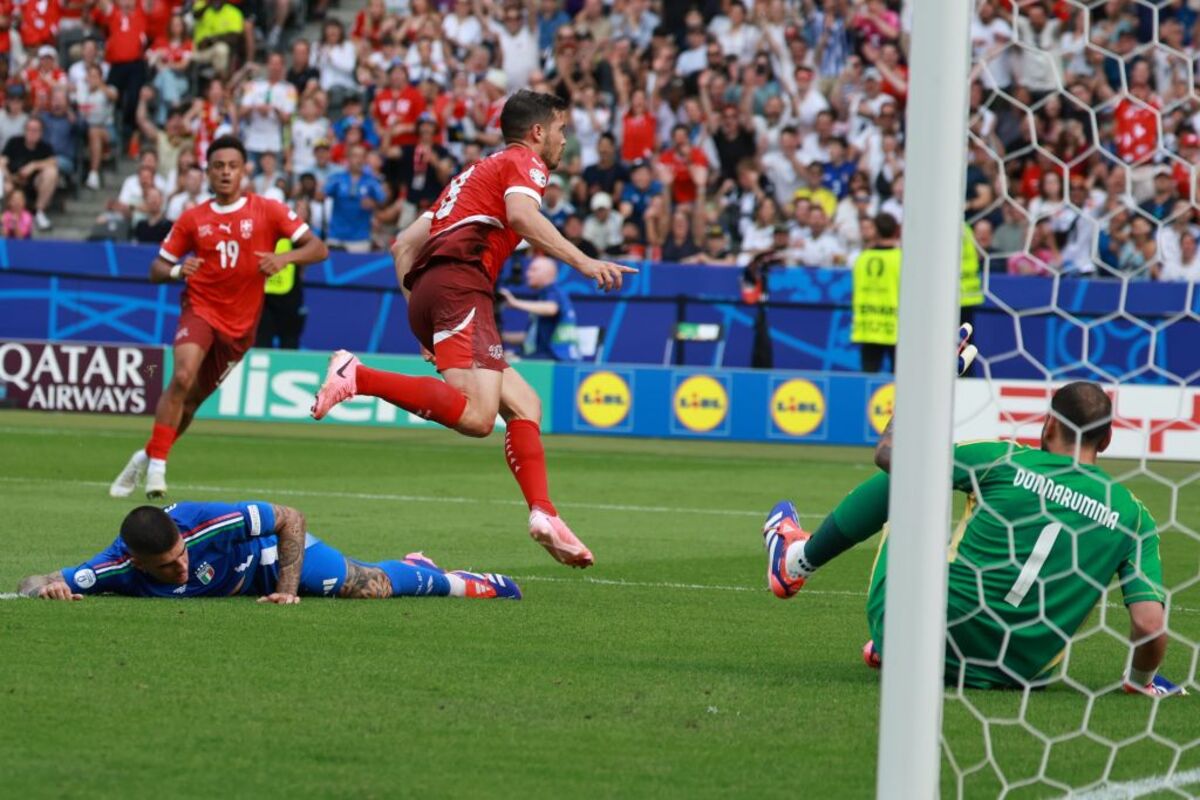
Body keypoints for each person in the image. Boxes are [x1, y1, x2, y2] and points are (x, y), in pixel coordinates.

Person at [310, 90, 633, 569]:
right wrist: (583, 261)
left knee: (526, 404)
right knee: (479, 418)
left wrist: (421, 320)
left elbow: (403, 245)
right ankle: (358, 376)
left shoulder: (470, 176)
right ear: (538, 132)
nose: (566, 142)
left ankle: (544, 513)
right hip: (463, 284)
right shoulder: (526, 161)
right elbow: (523, 217)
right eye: (562, 131)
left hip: (430, 291)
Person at [761, 381, 1179, 696]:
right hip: (1019, 674)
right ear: (1106, 440)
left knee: (909, 482)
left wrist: (924, 385)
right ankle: (899, 649)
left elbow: (890, 454)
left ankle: (795, 562)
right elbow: (1148, 624)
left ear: (1048, 424)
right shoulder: (1133, 515)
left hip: (919, 635)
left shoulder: (1005, 458)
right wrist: (1141, 682)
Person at [109, 135, 329, 500]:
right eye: (218, 166)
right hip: (200, 309)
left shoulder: (269, 209)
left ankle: (146, 456)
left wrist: (284, 258)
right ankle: (159, 470)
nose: (226, 173)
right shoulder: (193, 218)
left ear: (244, 171)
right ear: (208, 172)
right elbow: (156, 269)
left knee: (191, 402)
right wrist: (179, 271)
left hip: (240, 327)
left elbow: (317, 248)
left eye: (233, 166)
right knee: (181, 376)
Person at [18, 500, 521, 602]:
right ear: (136, 563)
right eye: (166, 566)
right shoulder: (112, 568)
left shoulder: (205, 524)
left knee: (365, 588)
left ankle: (454, 581)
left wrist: (286, 589)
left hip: (263, 558)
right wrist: (51, 590)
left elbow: (290, 517)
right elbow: (30, 583)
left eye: (181, 555)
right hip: (243, 581)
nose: (181, 566)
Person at [500, 255, 579, 361]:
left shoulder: (553, 291)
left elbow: (551, 309)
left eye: (533, 270)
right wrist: (501, 336)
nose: (527, 274)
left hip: (556, 359)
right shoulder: (544, 295)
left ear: (548, 273)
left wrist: (515, 303)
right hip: (545, 356)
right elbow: (529, 337)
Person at [850, 212, 901, 372]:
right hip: (894, 326)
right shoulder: (902, 258)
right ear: (895, 231)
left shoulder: (862, 259)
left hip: (868, 325)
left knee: (868, 379)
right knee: (900, 379)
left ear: (876, 232)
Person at [323, 142, 387, 252]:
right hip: (336, 236)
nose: (359, 159)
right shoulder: (337, 178)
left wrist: (374, 203)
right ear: (348, 158)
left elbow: (383, 200)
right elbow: (321, 195)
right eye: (355, 156)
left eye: (362, 156)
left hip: (360, 238)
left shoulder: (371, 181)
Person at [0, 117, 57, 231]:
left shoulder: (45, 147)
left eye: (35, 130)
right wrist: (10, 177)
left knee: (52, 172)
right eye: (29, 129)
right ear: (24, 130)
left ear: (41, 132)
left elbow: (53, 161)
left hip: (34, 184)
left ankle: (39, 212)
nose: (32, 133)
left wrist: (34, 165)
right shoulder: (14, 142)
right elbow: (2, 160)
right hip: (12, 182)